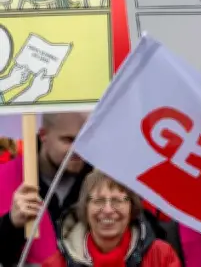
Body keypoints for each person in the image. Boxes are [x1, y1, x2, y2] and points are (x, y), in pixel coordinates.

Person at [0, 113, 92, 266]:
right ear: (43, 135)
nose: (77, 149)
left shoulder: (99, 180)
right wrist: (11, 223)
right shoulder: (6, 178)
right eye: (68, 140)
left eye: (82, 139)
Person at [43, 170, 180, 266]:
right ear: (85, 207)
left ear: (131, 207)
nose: (108, 210)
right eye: (98, 201)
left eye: (117, 201)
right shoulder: (56, 264)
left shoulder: (161, 256)